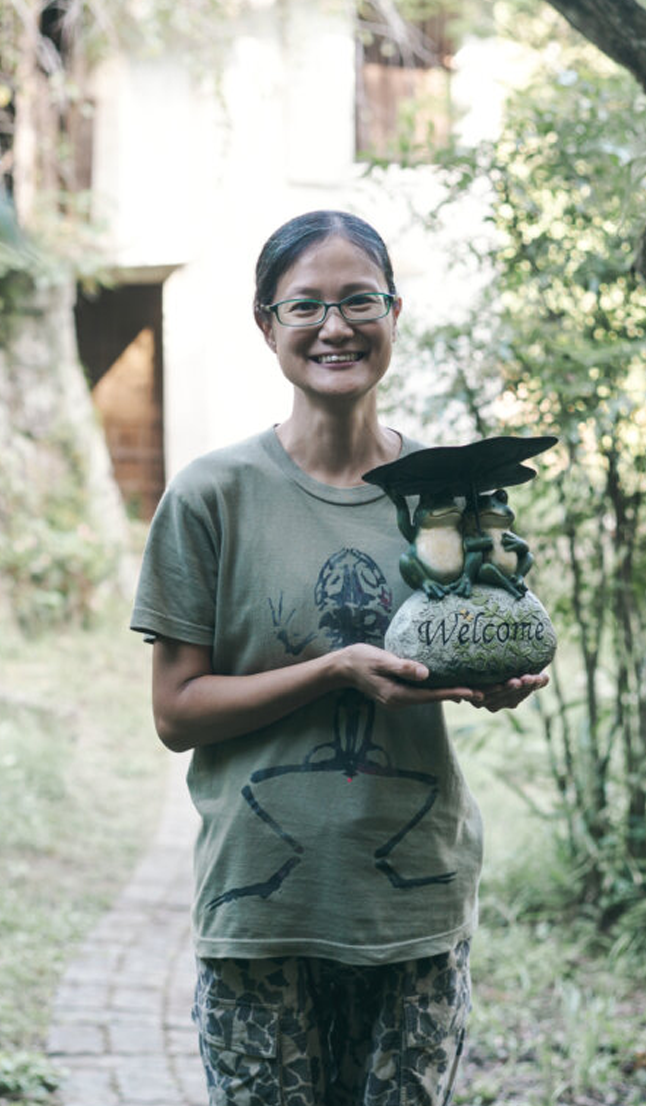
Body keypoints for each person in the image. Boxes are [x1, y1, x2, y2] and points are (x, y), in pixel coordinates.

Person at [130, 210, 547, 1105]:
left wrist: (496, 682)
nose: (335, 327)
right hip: (262, 905)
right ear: (265, 323)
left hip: (414, 903)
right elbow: (175, 711)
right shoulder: (213, 494)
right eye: (305, 305)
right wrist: (331, 669)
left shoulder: (450, 489)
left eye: (360, 300)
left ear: (395, 312)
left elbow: (480, 633)